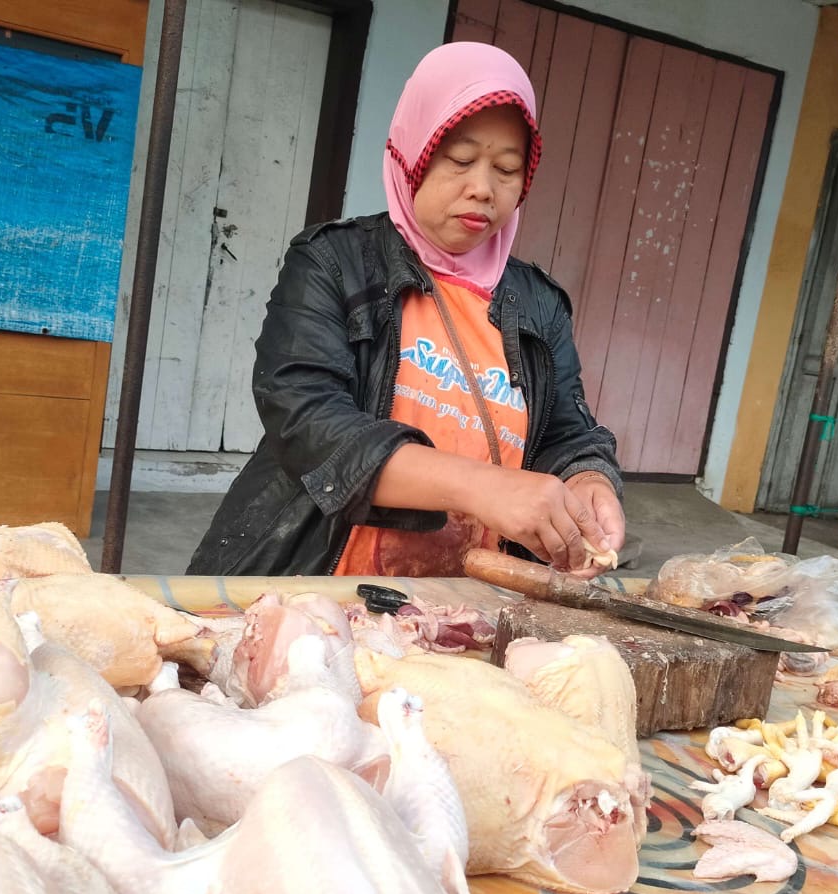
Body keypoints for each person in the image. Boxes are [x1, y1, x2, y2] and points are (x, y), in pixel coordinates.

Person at [188, 41, 624, 579]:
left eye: (507, 169)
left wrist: (588, 481)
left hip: (463, 601)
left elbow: (566, 434)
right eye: (460, 160)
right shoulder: (334, 263)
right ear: (413, 152)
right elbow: (306, 418)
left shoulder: (539, 304)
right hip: (314, 585)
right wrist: (484, 487)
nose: (483, 188)